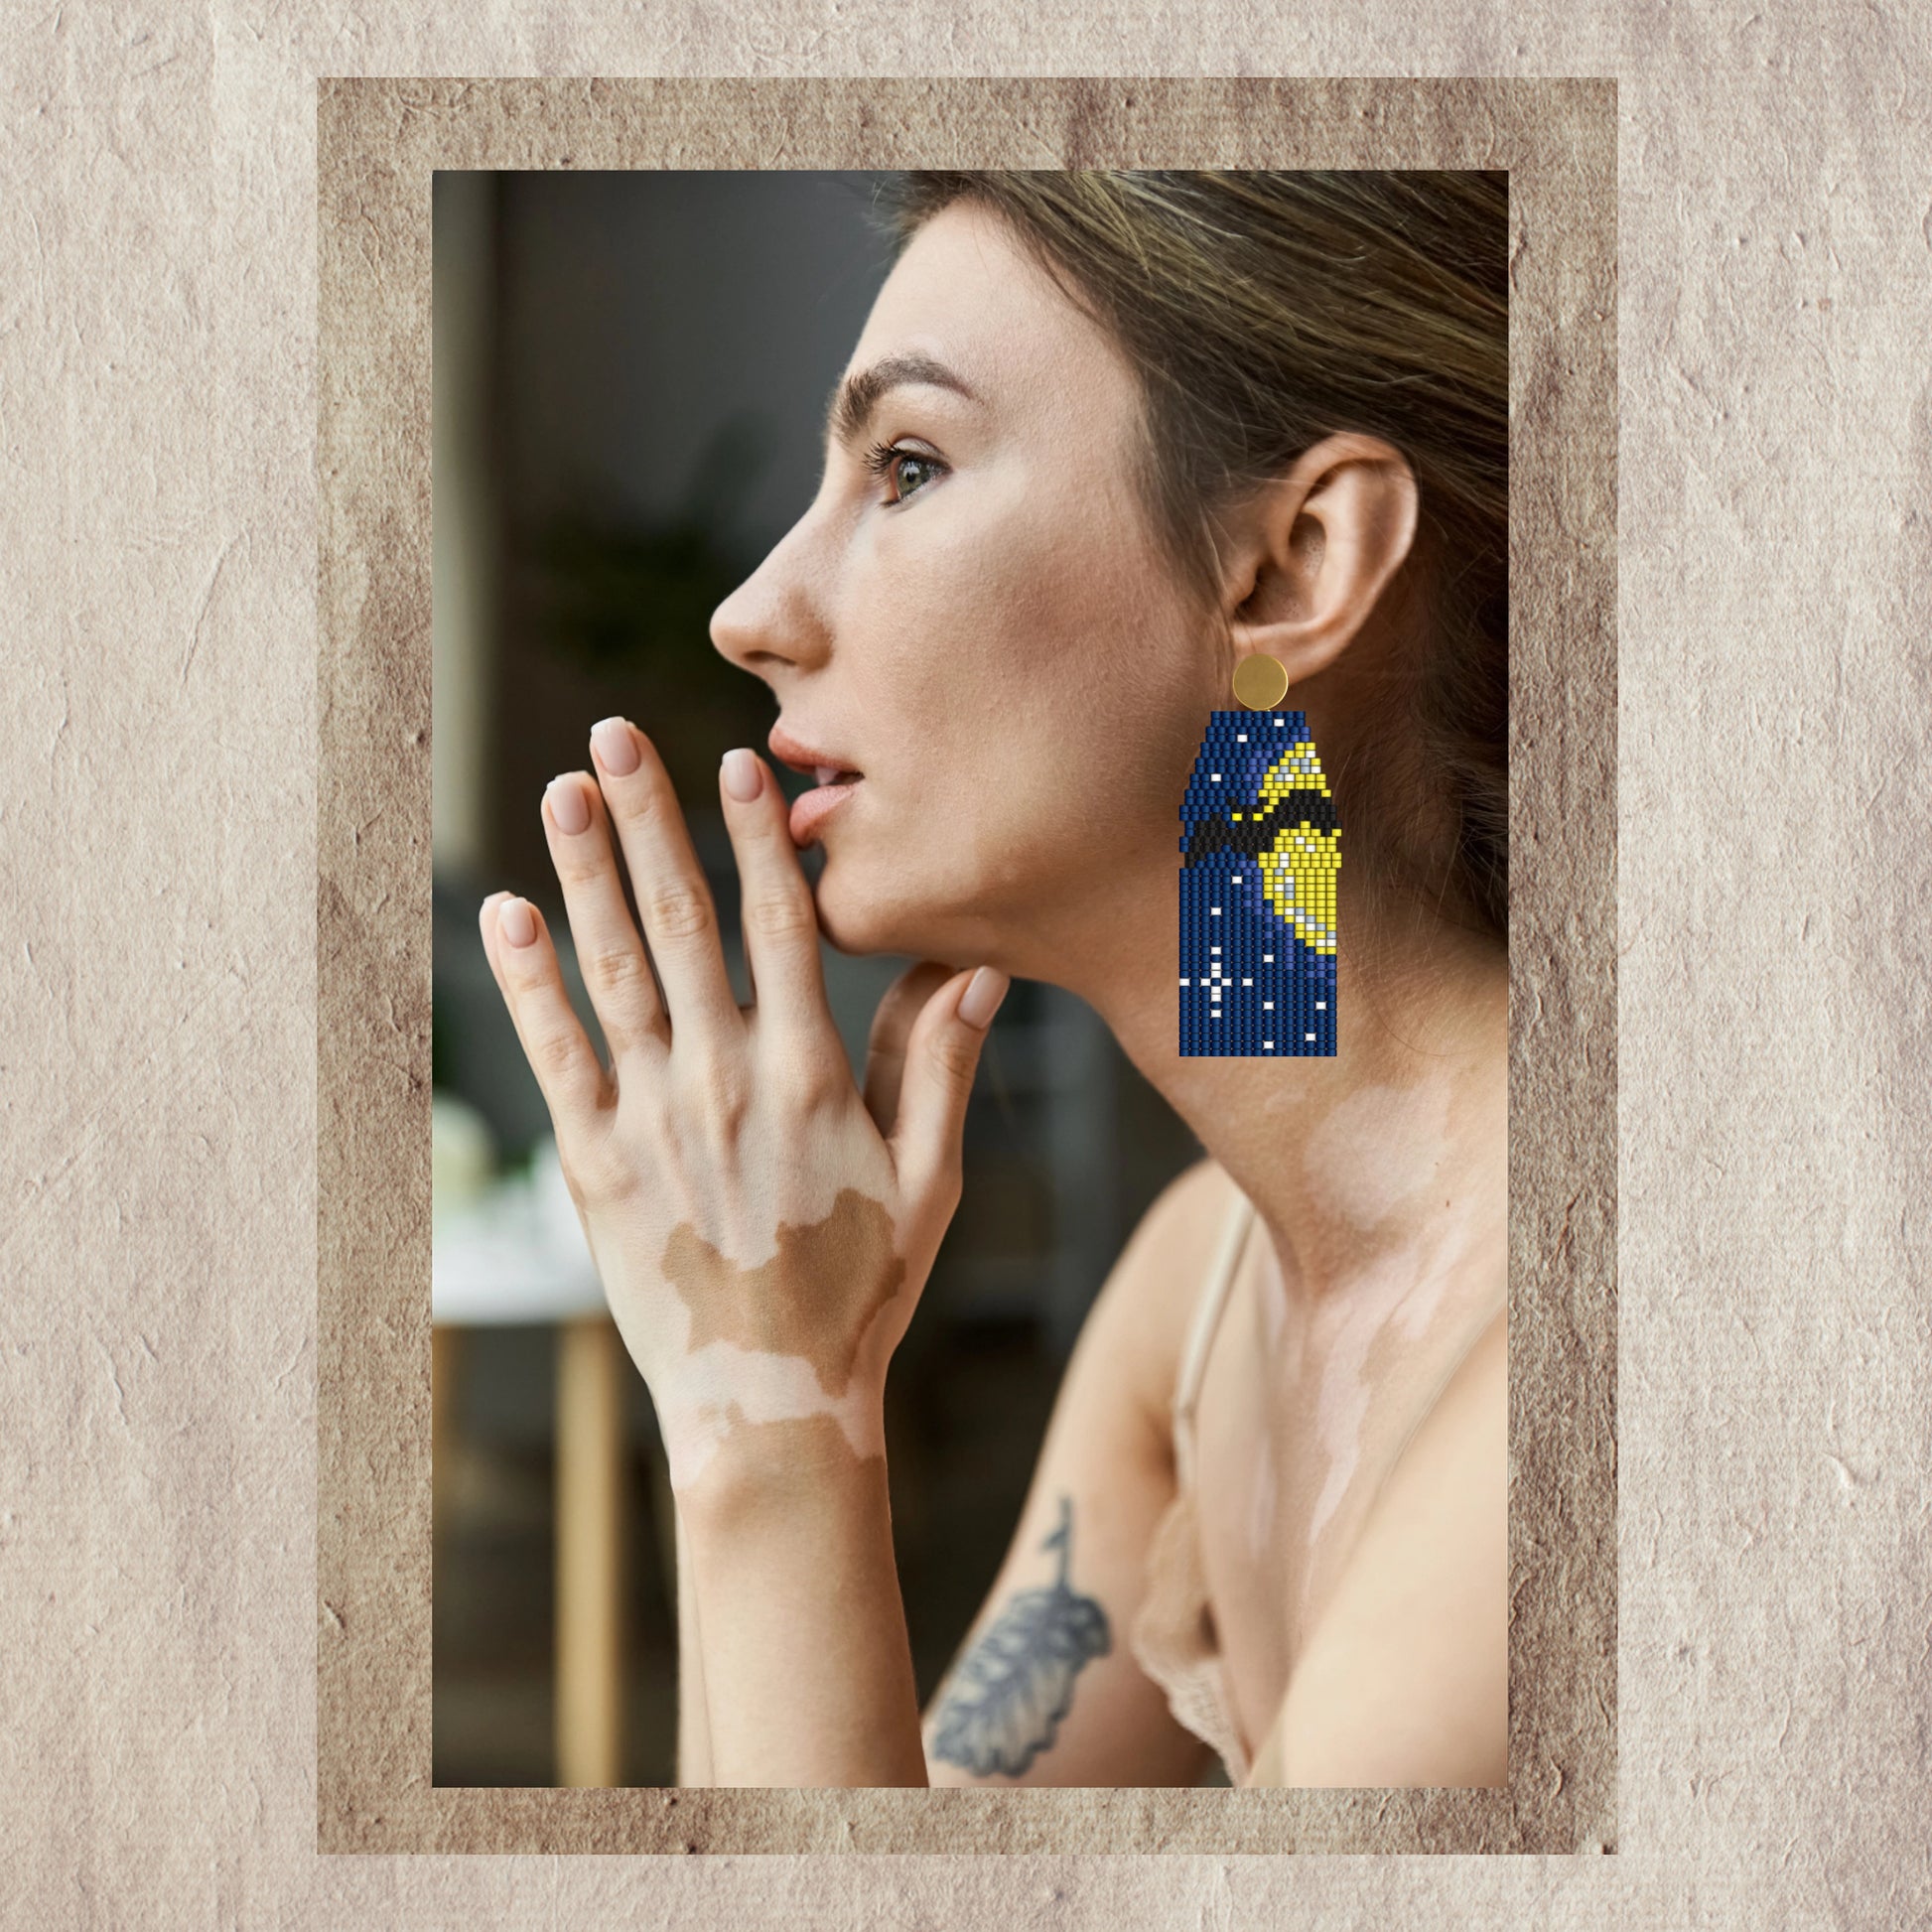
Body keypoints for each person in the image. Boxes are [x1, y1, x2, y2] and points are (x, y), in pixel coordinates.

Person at [479, 170, 1509, 1788]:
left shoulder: (1578, 1386)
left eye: (906, 466)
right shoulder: (1200, 1288)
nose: (749, 613)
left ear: (1289, 570)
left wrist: (775, 1430)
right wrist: (755, 1385)